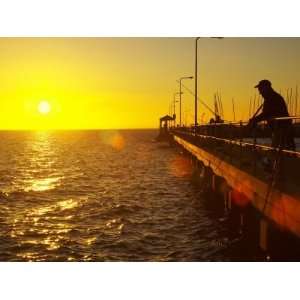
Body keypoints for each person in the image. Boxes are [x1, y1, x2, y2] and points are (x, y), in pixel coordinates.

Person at [249, 79, 295, 150]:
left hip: (281, 129)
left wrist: (254, 120)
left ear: (266, 88)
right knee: (285, 150)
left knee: (283, 150)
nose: (260, 93)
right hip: (280, 129)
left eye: (260, 89)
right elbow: (266, 113)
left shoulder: (272, 98)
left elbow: (266, 114)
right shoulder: (271, 97)